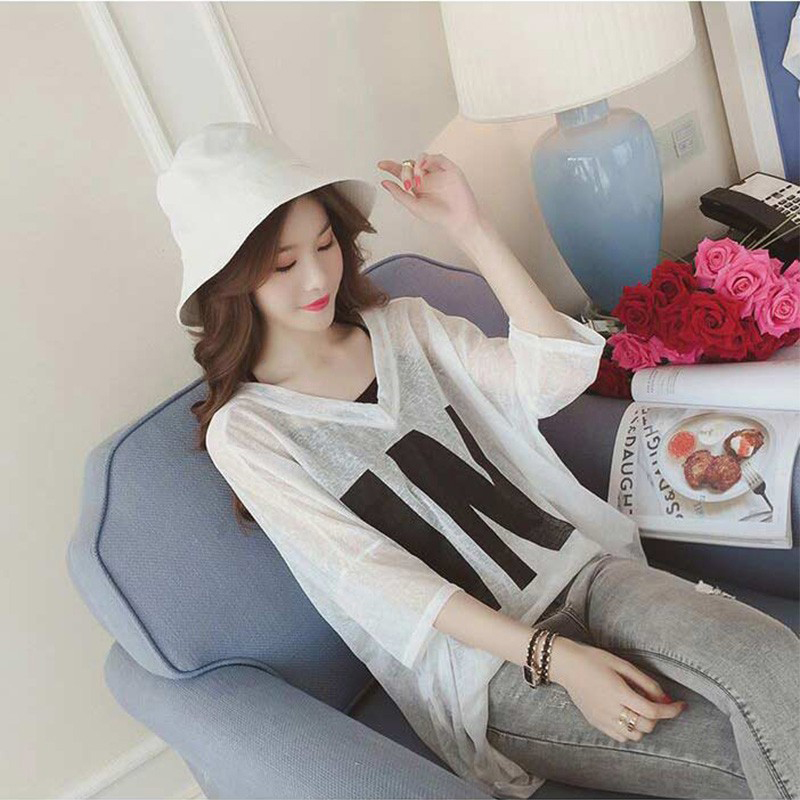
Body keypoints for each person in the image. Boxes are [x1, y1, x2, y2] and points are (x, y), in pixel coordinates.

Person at [156, 122, 799, 800]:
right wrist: (559, 660)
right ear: (232, 282)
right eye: (283, 265)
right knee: (732, 751)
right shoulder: (249, 433)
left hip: (586, 574)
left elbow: (553, 377)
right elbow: (381, 580)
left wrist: (471, 226)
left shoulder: (407, 328)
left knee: (772, 662)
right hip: (487, 672)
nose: (317, 276)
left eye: (324, 245)